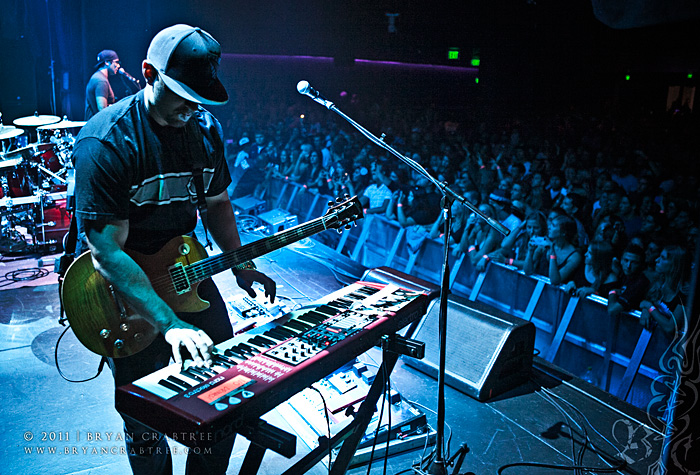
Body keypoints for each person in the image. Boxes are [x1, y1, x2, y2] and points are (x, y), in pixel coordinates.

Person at [72, 24, 276, 475]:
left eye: (199, 96)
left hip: (187, 273)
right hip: (128, 294)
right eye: (182, 93)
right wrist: (168, 325)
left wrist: (242, 265)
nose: (191, 107)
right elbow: (107, 252)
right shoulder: (106, 142)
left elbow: (218, 203)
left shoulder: (205, 129)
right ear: (148, 72)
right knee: (144, 420)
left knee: (226, 401)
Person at [85, 49, 121, 120]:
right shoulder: (101, 81)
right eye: (116, 62)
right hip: (96, 127)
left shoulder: (98, 77)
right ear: (107, 62)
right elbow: (102, 110)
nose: (118, 65)